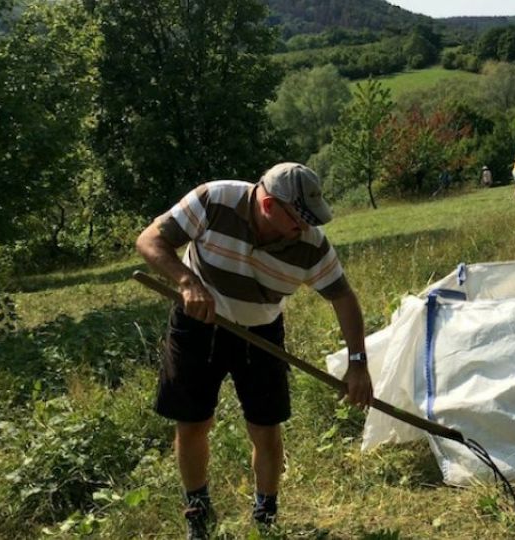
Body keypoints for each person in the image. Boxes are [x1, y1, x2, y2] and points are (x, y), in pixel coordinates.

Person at [135, 162, 373, 538]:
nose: (306, 229)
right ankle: (197, 511)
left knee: (265, 427)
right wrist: (186, 282)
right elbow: (149, 240)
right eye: (298, 220)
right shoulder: (213, 199)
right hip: (198, 325)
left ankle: (266, 516)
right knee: (193, 421)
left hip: (261, 334)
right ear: (268, 207)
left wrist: (358, 363)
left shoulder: (311, 245)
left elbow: (342, 296)